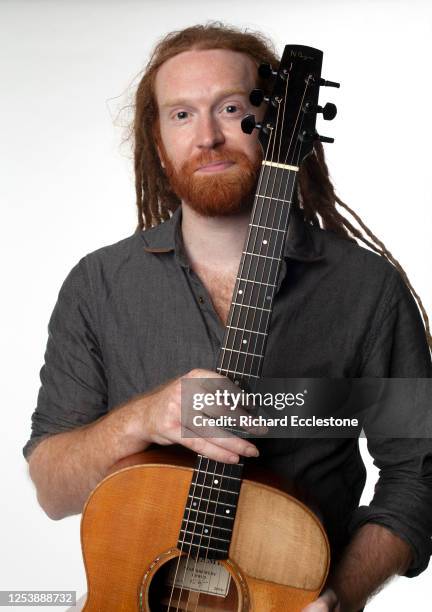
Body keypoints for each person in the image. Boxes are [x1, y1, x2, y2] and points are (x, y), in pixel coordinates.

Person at [24, 23, 432, 612]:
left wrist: (341, 594)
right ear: (157, 144)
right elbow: (52, 490)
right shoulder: (99, 286)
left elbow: (417, 477)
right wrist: (144, 417)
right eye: (182, 115)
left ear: (273, 126)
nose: (209, 137)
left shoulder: (366, 289)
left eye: (233, 108)